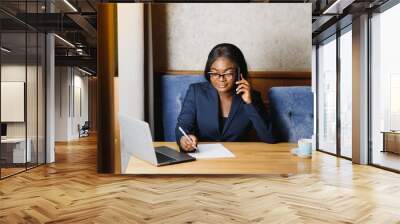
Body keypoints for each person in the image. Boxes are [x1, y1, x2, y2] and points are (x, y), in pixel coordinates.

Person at [175, 43, 277, 152]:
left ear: (239, 73)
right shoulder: (196, 92)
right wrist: (184, 139)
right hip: (203, 160)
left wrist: (249, 103)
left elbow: (269, 137)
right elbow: (183, 126)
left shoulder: (252, 97)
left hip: (237, 160)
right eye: (214, 73)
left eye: (228, 73)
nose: (221, 79)